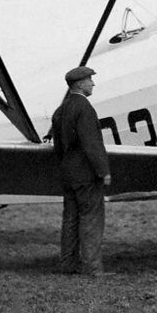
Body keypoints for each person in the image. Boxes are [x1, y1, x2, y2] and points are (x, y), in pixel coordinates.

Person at [50, 65, 112, 276]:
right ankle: (92, 268)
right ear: (80, 84)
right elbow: (91, 143)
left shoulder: (61, 109)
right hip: (86, 174)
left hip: (68, 173)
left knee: (70, 220)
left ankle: (68, 264)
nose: (93, 83)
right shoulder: (85, 108)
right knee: (91, 219)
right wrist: (103, 171)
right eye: (89, 80)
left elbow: (58, 146)